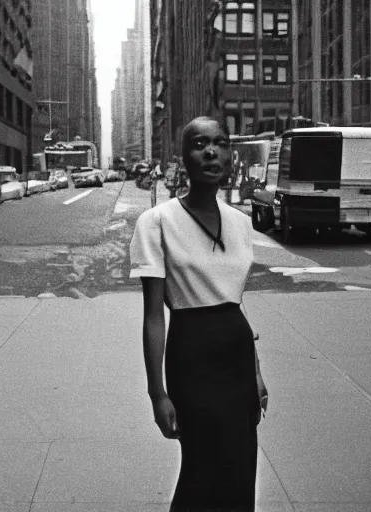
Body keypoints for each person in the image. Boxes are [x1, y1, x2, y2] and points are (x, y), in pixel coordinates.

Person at [129, 116, 268, 511]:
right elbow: (154, 317)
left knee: (242, 472)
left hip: (238, 360)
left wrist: (256, 374)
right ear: (183, 159)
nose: (211, 151)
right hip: (193, 358)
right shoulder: (156, 222)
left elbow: (236, 304)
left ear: (230, 154)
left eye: (220, 143)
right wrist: (158, 393)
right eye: (199, 144)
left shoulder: (242, 223)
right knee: (201, 473)